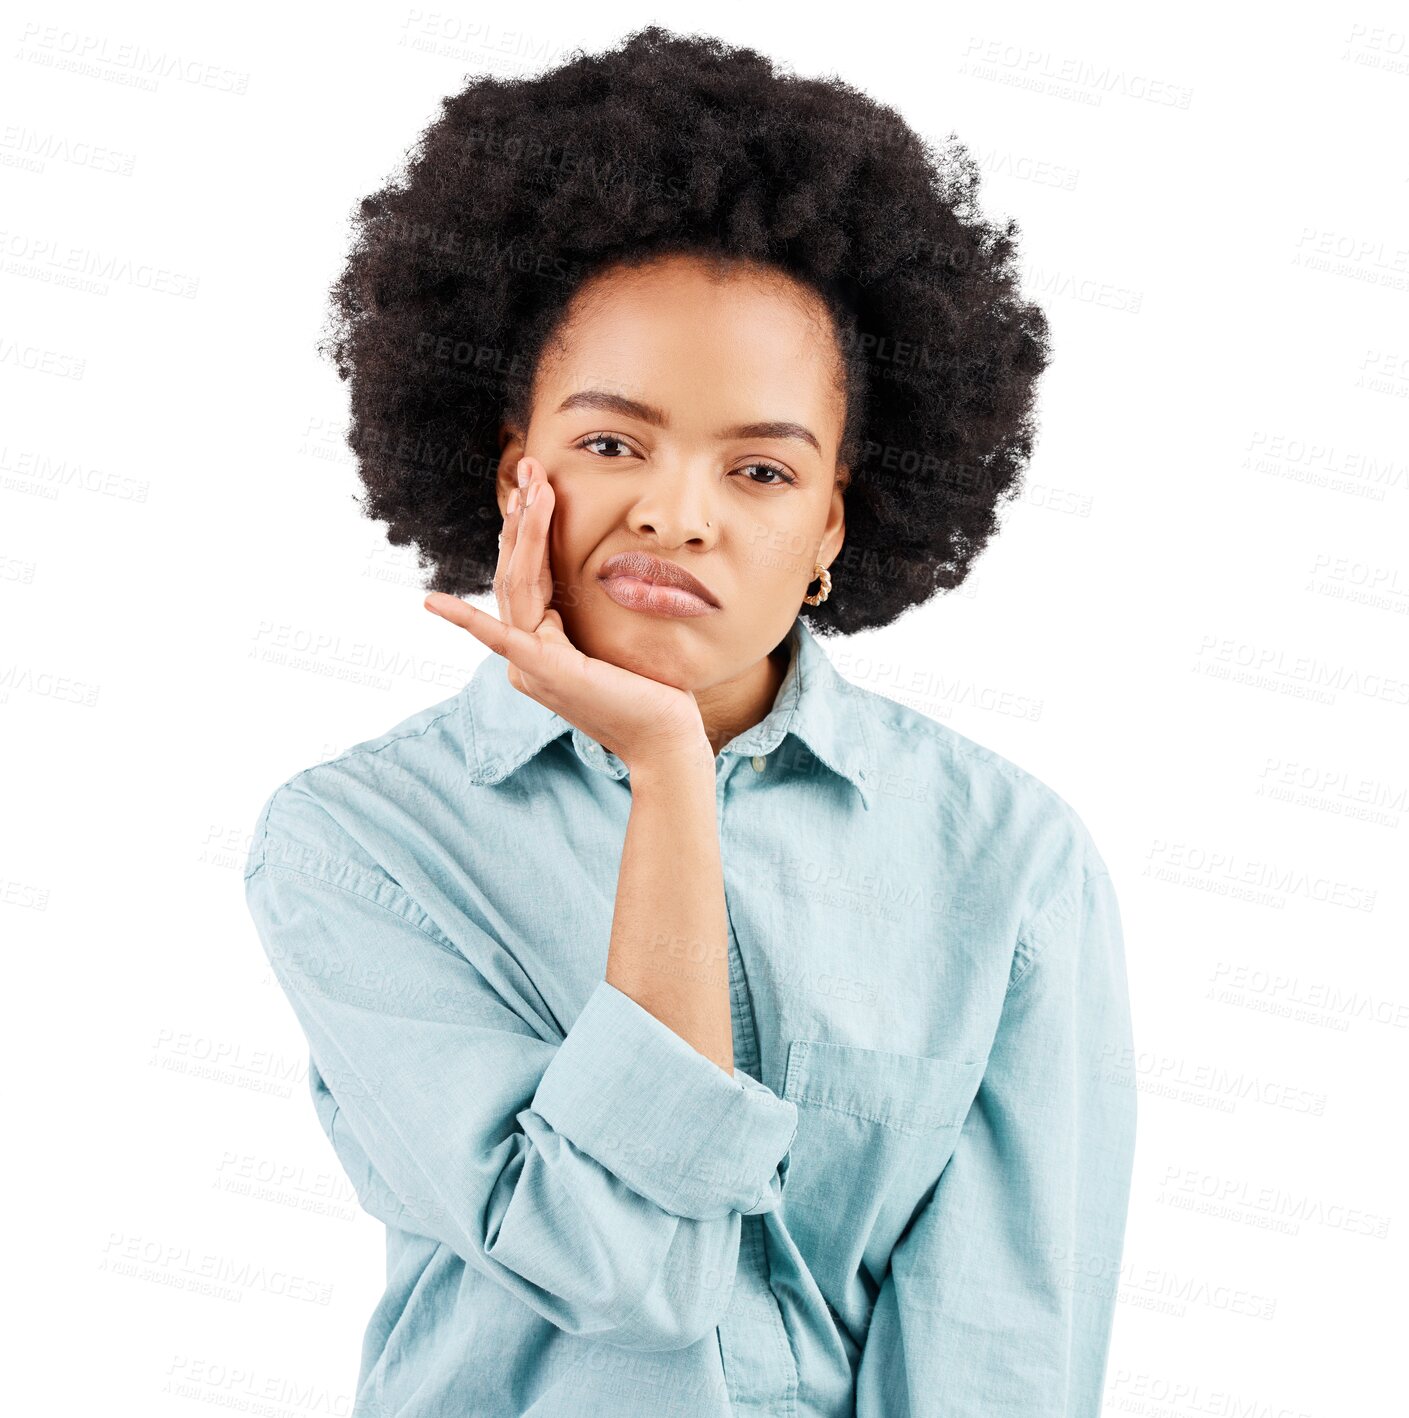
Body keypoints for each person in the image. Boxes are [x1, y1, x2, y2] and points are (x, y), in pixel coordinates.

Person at [244, 25, 1136, 1418]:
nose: (675, 509)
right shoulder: (359, 844)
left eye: (762, 468)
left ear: (834, 517)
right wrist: (666, 769)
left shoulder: (1004, 859)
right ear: (513, 467)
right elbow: (624, 1268)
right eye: (611, 443)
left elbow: (1001, 1345)